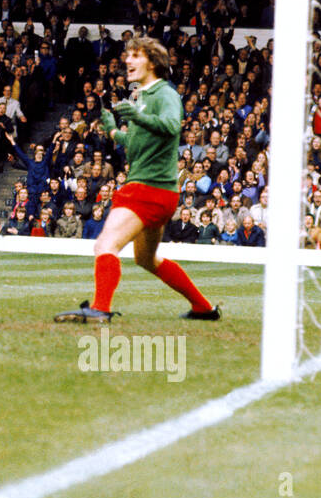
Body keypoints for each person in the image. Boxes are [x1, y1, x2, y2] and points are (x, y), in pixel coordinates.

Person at [55, 36, 220, 322]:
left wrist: (135, 116)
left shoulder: (164, 93)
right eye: (127, 55)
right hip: (160, 192)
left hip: (148, 189)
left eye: (135, 55)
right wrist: (113, 131)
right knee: (146, 259)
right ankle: (204, 308)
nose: (128, 60)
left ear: (153, 62)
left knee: (105, 245)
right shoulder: (142, 97)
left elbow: (170, 127)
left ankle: (100, 309)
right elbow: (134, 145)